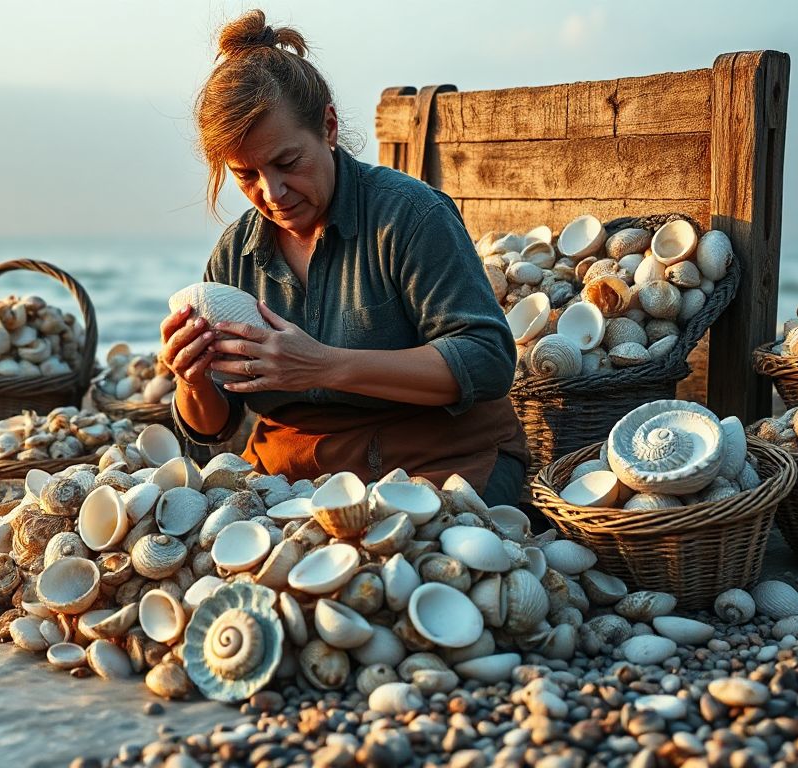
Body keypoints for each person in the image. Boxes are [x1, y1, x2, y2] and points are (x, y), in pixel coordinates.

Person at [159, 10, 529, 505]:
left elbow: (486, 361)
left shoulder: (410, 217)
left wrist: (325, 366)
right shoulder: (235, 256)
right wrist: (193, 379)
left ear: (328, 128)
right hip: (292, 477)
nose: (272, 192)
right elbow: (215, 424)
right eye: (246, 175)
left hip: (440, 464)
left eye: (288, 163)